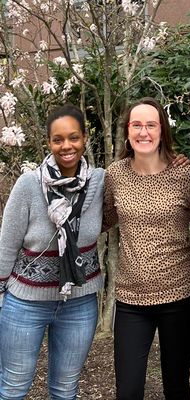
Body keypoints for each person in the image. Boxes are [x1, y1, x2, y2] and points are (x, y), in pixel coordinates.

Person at [0, 104, 105, 399]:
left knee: (65, 389)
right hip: (25, 304)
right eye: (58, 139)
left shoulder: (99, 182)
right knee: (13, 387)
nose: (66, 146)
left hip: (79, 303)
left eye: (73, 137)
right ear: (49, 143)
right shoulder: (28, 185)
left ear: (85, 138)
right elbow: (7, 243)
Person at [103, 97, 190, 400]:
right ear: (128, 131)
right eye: (136, 125)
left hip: (180, 296)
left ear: (162, 131)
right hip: (131, 299)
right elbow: (101, 222)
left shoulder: (185, 174)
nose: (143, 132)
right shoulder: (115, 175)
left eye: (151, 125)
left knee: (177, 385)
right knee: (128, 390)